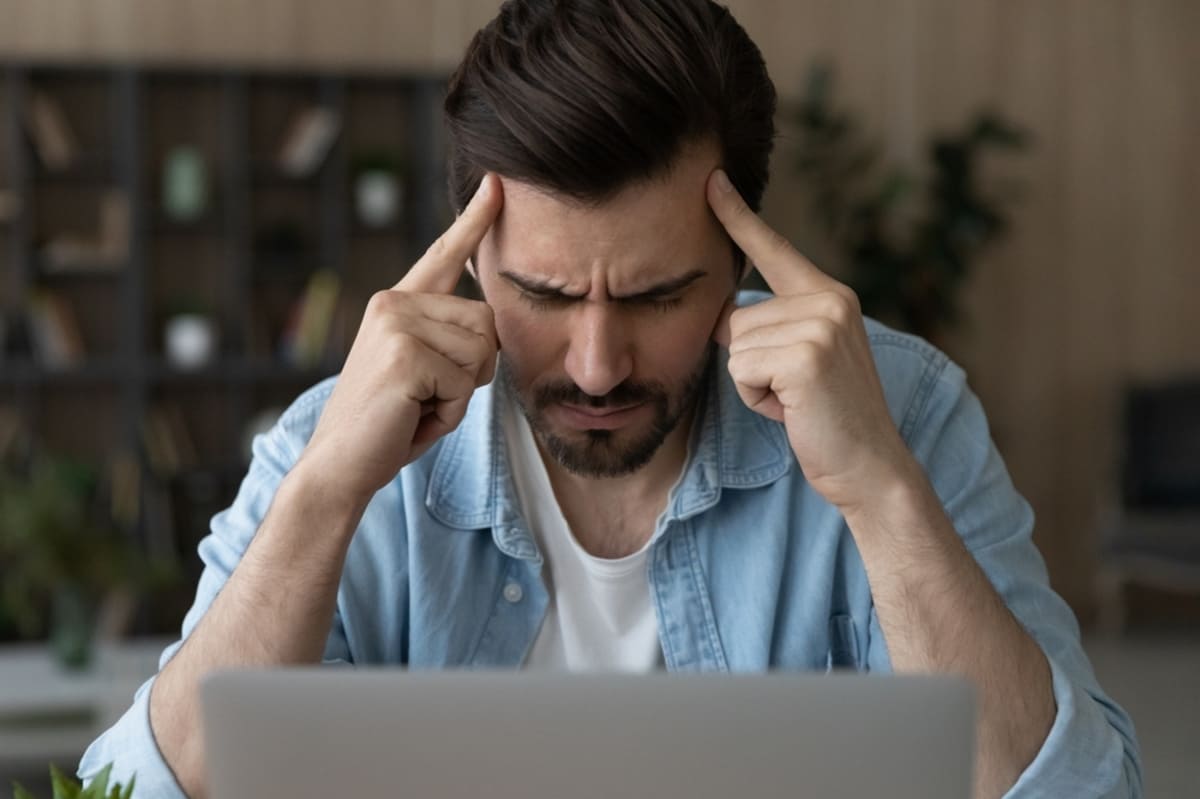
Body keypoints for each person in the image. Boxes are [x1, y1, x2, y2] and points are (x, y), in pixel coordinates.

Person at [80, 1, 1141, 797]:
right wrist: (322, 498)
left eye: (656, 294)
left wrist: (877, 489)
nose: (594, 365)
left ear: (742, 266)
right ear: (468, 257)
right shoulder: (335, 441)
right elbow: (127, 791)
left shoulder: (901, 412)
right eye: (542, 294)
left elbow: (1085, 790)